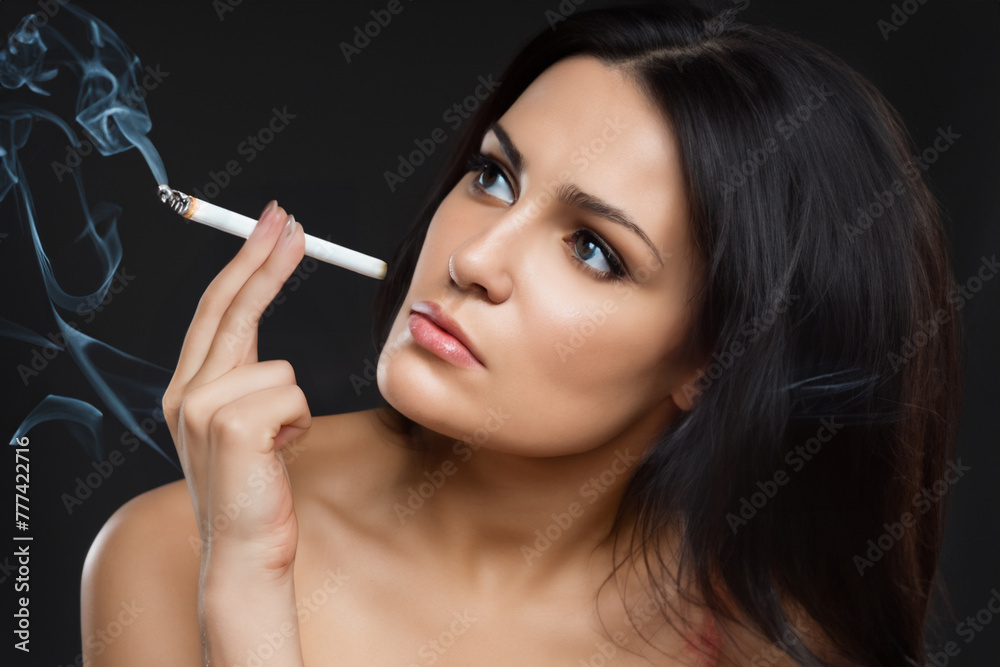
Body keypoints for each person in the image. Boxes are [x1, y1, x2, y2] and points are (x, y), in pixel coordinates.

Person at [81, 3, 962, 665]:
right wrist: (241, 575)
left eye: (593, 249)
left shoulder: (757, 646)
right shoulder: (172, 551)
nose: (475, 258)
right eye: (495, 177)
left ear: (711, 360)